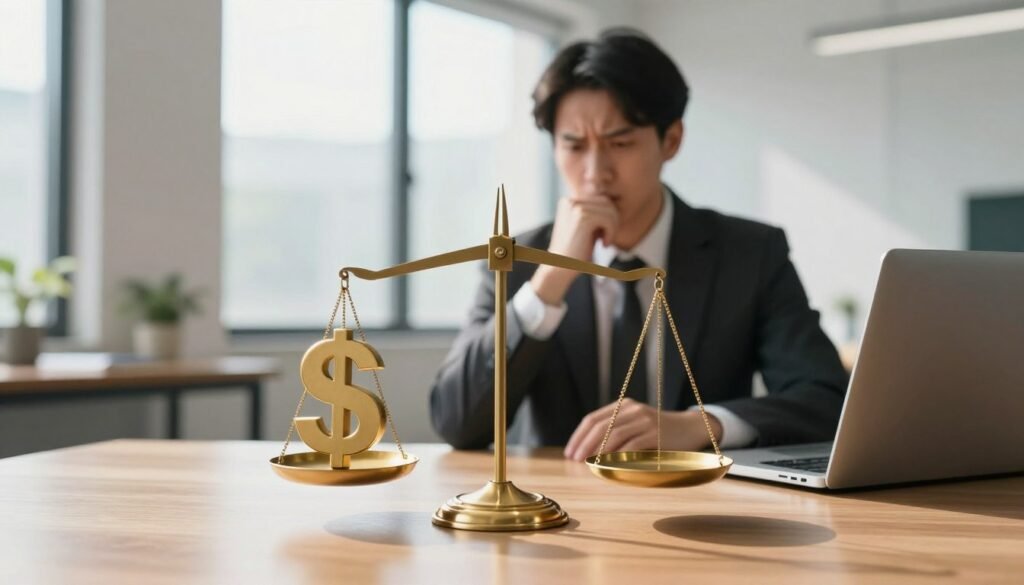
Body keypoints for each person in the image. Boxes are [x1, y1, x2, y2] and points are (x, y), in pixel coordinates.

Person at [429, 29, 848, 461]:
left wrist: (701, 424)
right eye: (573, 145)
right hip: (553, 513)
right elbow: (455, 421)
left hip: (701, 506)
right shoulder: (515, 261)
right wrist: (549, 280)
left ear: (671, 140)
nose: (595, 172)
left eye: (620, 143)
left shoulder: (751, 253)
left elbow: (827, 399)